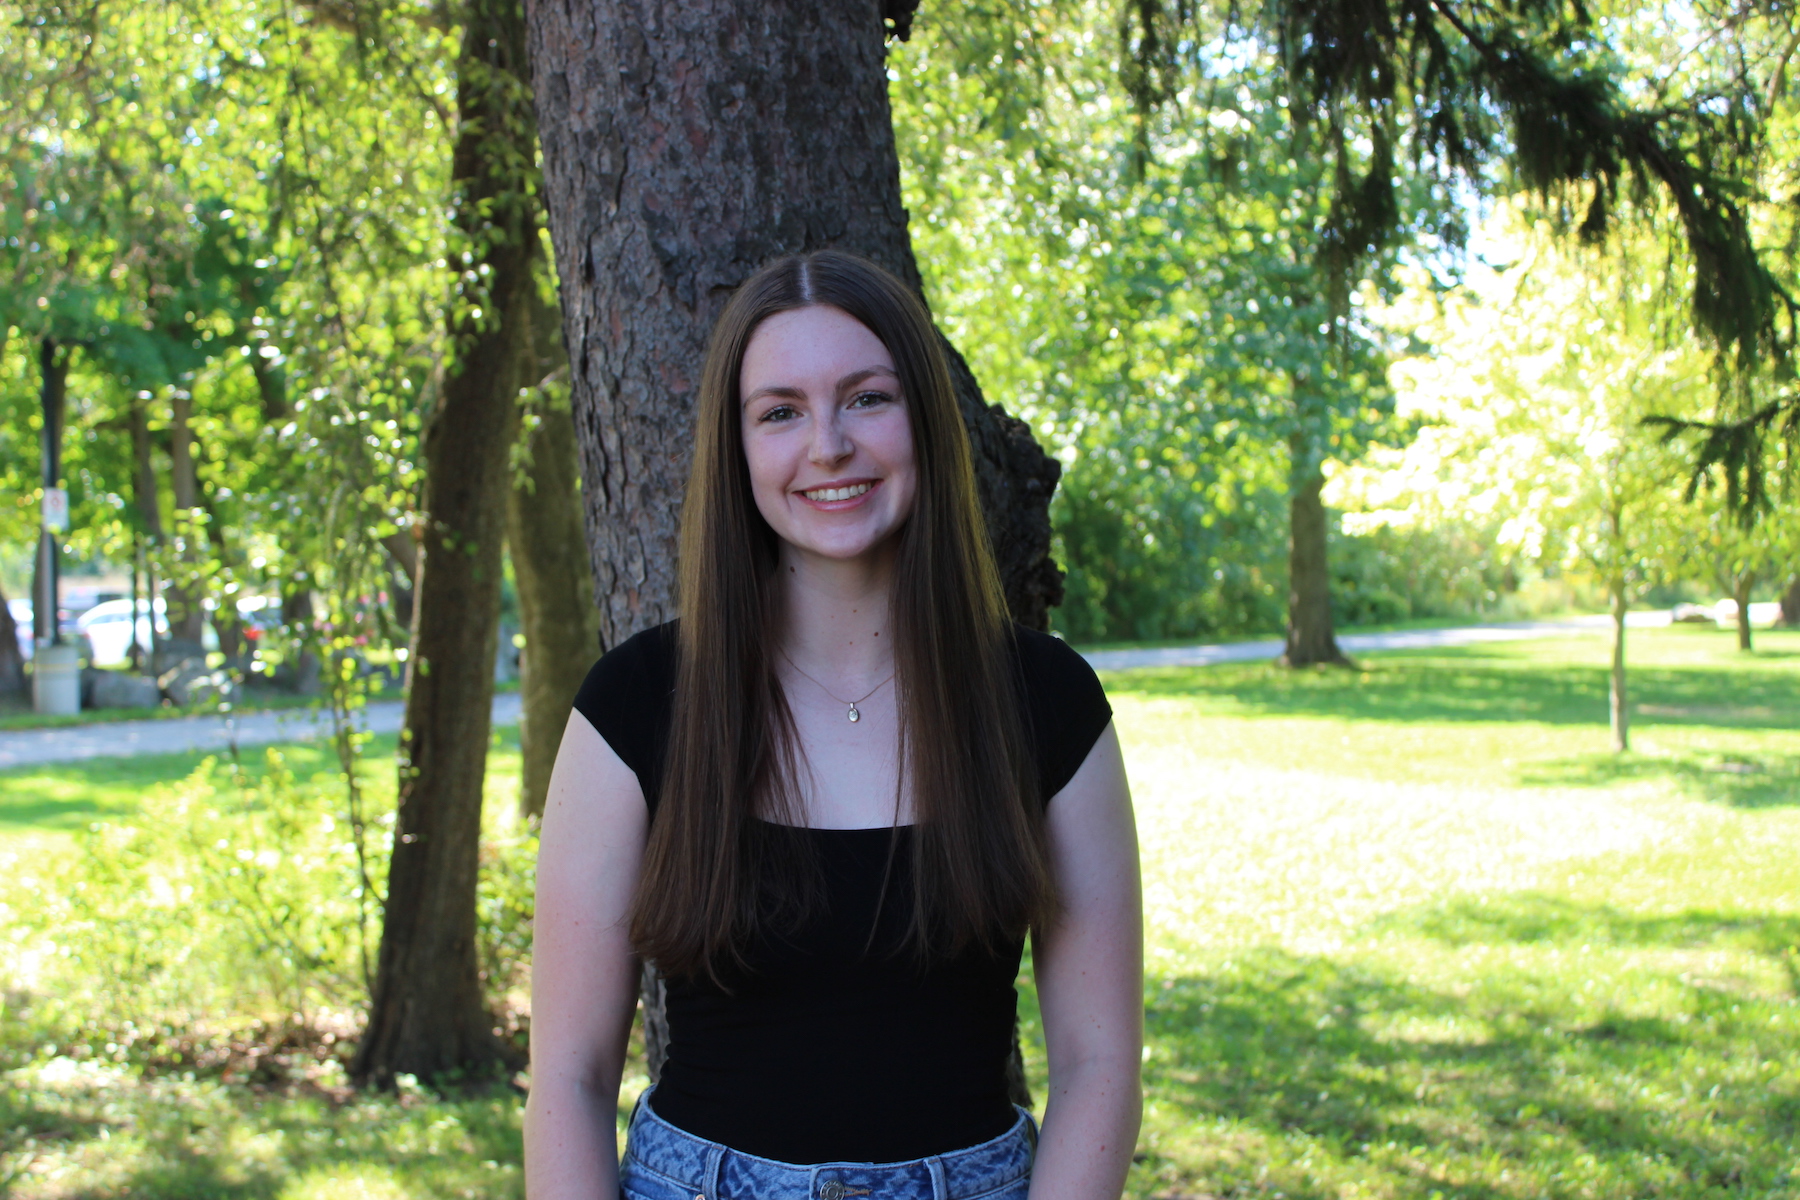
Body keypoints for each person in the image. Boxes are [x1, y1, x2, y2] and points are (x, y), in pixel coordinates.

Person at [524, 250, 1142, 1200]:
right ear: (737, 449)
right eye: (780, 411)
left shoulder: (1046, 704)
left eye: (867, 399)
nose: (828, 445)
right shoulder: (635, 705)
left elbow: (1101, 1070)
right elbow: (566, 1079)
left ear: (923, 423)